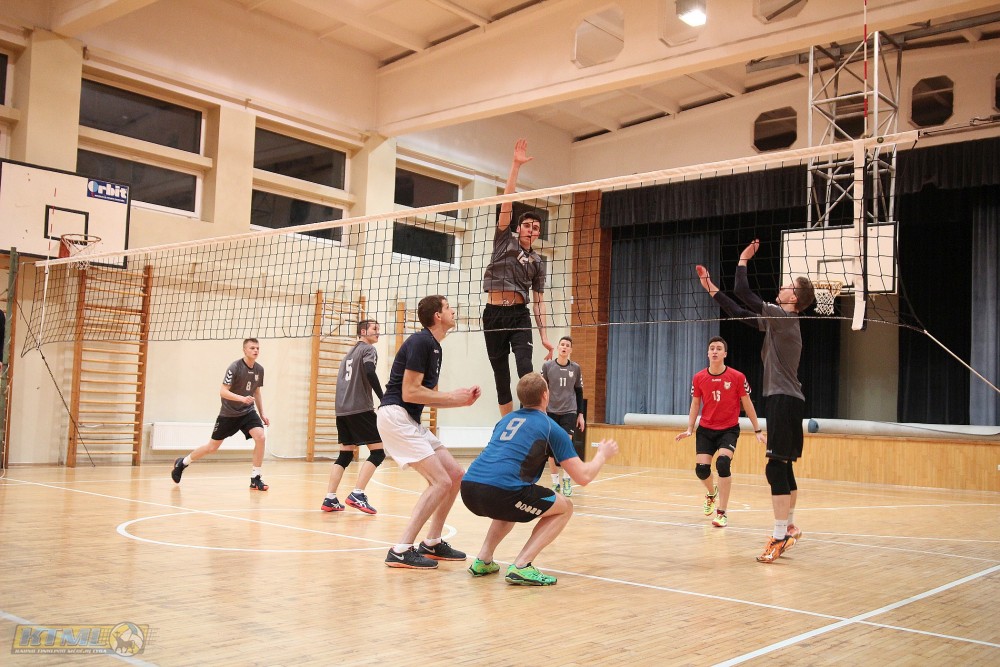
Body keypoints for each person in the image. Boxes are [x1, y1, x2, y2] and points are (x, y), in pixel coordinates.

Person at [696, 240, 815, 563]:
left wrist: (743, 259)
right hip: (789, 400)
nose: (782, 287)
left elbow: (743, 293)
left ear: (795, 298)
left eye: (788, 286)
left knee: (774, 467)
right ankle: (789, 527)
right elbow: (738, 312)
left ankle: (779, 536)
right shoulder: (779, 322)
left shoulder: (783, 317)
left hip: (783, 400)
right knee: (783, 466)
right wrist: (710, 288)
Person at [461, 372, 618, 586]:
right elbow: (583, 477)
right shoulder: (551, 427)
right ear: (545, 395)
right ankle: (522, 566)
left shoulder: (505, 420)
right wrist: (601, 455)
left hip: (469, 489)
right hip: (502, 492)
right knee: (565, 507)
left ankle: (483, 560)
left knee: (510, 505)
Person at [378, 295, 482, 569]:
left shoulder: (435, 347)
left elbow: (429, 396)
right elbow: (409, 392)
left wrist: (461, 400)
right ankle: (401, 549)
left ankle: (432, 542)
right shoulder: (421, 341)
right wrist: (452, 397)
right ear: (437, 315)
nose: (453, 311)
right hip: (395, 416)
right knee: (441, 482)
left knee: (455, 475)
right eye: (448, 307)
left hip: (409, 419)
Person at [482, 138, 554, 417]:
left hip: (519, 315)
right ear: (519, 227)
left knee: (526, 372)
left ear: (538, 233)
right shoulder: (504, 239)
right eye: (526, 225)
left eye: (535, 227)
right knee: (501, 375)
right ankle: (507, 427)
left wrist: (545, 336)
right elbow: (507, 201)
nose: (530, 230)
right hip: (493, 315)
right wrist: (515, 166)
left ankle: (530, 423)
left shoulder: (538, 262)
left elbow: (539, 302)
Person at [675, 336, 765, 528]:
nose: (715, 351)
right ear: (708, 353)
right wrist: (690, 428)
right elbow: (695, 404)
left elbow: (747, 403)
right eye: (712, 348)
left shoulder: (737, 377)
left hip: (728, 429)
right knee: (701, 470)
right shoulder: (699, 377)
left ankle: (722, 513)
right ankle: (711, 493)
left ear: (725, 353)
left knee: (723, 463)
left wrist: (757, 429)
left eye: (718, 348)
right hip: (706, 429)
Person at [171, 338, 271, 490]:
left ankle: (255, 478)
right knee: (212, 448)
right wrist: (242, 398)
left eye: (257, 348)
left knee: (261, 437)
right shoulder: (235, 367)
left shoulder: (259, 369)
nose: (255, 350)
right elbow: (223, 391)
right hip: (229, 414)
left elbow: (256, 392)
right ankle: (183, 462)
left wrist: (262, 413)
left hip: (248, 412)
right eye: (252, 348)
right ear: (244, 350)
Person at [322, 319, 385, 514]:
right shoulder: (368, 350)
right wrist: (383, 397)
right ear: (363, 331)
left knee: (345, 454)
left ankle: (330, 498)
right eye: (375, 329)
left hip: (341, 410)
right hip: (359, 408)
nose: (378, 332)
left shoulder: (348, 354)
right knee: (378, 452)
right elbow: (370, 371)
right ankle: (358, 493)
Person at [540, 336, 585, 497]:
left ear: (570, 350)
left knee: (565, 446)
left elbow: (579, 392)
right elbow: (541, 390)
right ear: (558, 347)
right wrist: (541, 410)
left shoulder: (576, 368)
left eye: (567, 345)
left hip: (569, 412)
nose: (564, 347)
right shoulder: (547, 366)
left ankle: (566, 480)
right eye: (562, 345)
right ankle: (555, 482)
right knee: (552, 448)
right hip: (551, 411)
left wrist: (580, 415)